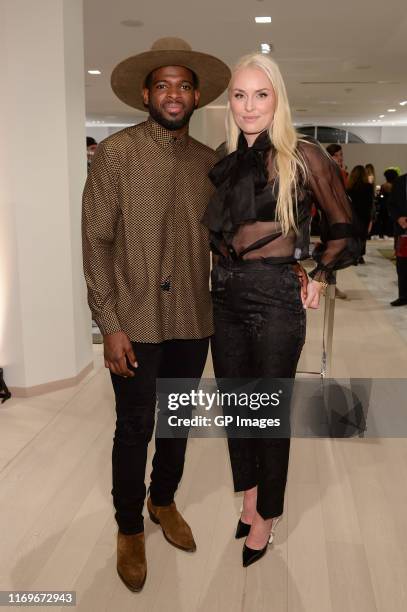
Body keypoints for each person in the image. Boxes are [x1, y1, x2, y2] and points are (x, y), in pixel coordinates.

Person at [82, 36, 230, 592]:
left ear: (195, 98)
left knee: (177, 423)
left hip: (194, 319)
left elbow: (222, 241)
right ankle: (128, 528)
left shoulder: (208, 164)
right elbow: (96, 243)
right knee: (134, 427)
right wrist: (109, 323)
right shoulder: (117, 154)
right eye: (163, 84)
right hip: (136, 323)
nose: (174, 94)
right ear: (146, 93)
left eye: (184, 85)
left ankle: (162, 500)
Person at [202, 53, 359, 568]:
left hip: (274, 299)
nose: (249, 106)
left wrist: (317, 275)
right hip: (223, 296)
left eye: (261, 94)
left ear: (278, 99)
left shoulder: (304, 155)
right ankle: (248, 495)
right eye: (241, 95)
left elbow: (344, 229)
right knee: (237, 410)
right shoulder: (225, 158)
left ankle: (267, 513)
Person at [325, 143, 349, 298]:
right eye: (337, 155)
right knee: (333, 251)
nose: (340, 158)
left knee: (334, 252)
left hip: (335, 217)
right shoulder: (332, 172)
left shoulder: (337, 172)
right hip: (333, 218)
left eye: (341, 155)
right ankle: (330, 287)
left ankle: (330, 286)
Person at [347, 165, 375, 263]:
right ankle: (360, 255)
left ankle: (353, 255)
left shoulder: (349, 188)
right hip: (364, 215)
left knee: (353, 235)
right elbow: (370, 203)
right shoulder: (369, 187)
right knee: (362, 236)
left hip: (352, 215)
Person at [388, 172, 407, 306]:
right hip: (402, 230)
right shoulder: (400, 182)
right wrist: (398, 218)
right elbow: (391, 205)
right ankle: (403, 296)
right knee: (402, 265)